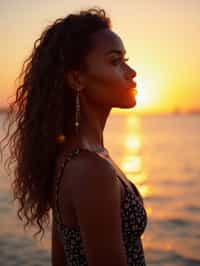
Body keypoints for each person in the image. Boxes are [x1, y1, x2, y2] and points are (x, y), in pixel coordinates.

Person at [0, 7, 148, 266]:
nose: (131, 71)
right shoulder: (91, 170)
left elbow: (61, 261)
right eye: (115, 61)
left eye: (125, 59)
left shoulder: (78, 157)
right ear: (77, 78)